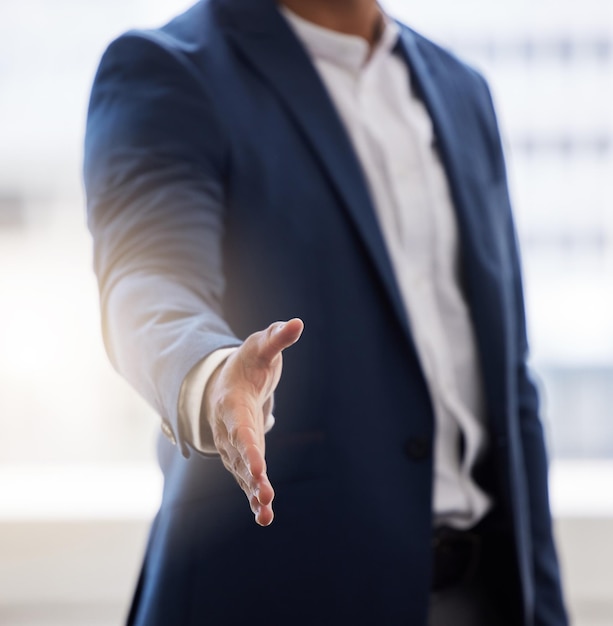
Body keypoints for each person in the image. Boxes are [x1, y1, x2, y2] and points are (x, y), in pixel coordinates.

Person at [83, 0, 569, 624]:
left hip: (481, 596)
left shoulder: (461, 90)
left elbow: (510, 386)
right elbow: (148, 277)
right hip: (279, 594)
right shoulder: (170, 69)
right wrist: (212, 377)